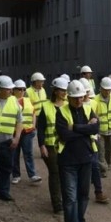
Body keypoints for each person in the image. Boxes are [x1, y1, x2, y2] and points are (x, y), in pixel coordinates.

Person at [55, 80, 100, 222]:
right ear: (69, 97)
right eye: (75, 98)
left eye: (81, 97)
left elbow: (95, 129)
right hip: (68, 161)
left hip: (86, 159)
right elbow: (64, 135)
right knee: (70, 199)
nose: (79, 100)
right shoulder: (61, 112)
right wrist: (85, 129)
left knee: (83, 196)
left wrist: (75, 128)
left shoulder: (89, 109)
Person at [37, 77, 68, 214]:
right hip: (50, 146)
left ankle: (65, 198)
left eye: (65, 90)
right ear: (55, 91)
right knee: (55, 173)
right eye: (61, 90)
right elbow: (41, 128)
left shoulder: (68, 105)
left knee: (65, 173)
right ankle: (57, 204)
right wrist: (41, 145)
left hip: (66, 145)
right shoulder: (46, 106)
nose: (64, 93)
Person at [80, 78, 108, 204]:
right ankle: (81, 194)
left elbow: (95, 122)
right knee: (81, 168)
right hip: (79, 141)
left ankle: (98, 192)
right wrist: (87, 126)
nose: (85, 94)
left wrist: (92, 128)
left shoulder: (93, 103)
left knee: (95, 166)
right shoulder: (71, 106)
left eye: (86, 92)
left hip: (93, 140)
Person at [11, 80, 42, 184]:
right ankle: (16, 175)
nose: (22, 91)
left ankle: (32, 175)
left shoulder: (27, 100)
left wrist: (33, 125)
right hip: (14, 132)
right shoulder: (10, 101)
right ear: (14, 90)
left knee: (28, 153)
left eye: (23, 89)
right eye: (20, 89)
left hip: (27, 131)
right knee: (14, 154)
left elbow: (33, 113)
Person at [94, 77, 111, 171]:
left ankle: (107, 165)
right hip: (100, 131)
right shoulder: (95, 100)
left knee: (109, 150)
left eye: (109, 90)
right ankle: (103, 169)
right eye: (105, 90)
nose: (108, 92)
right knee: (101, 150)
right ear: (101, 88)